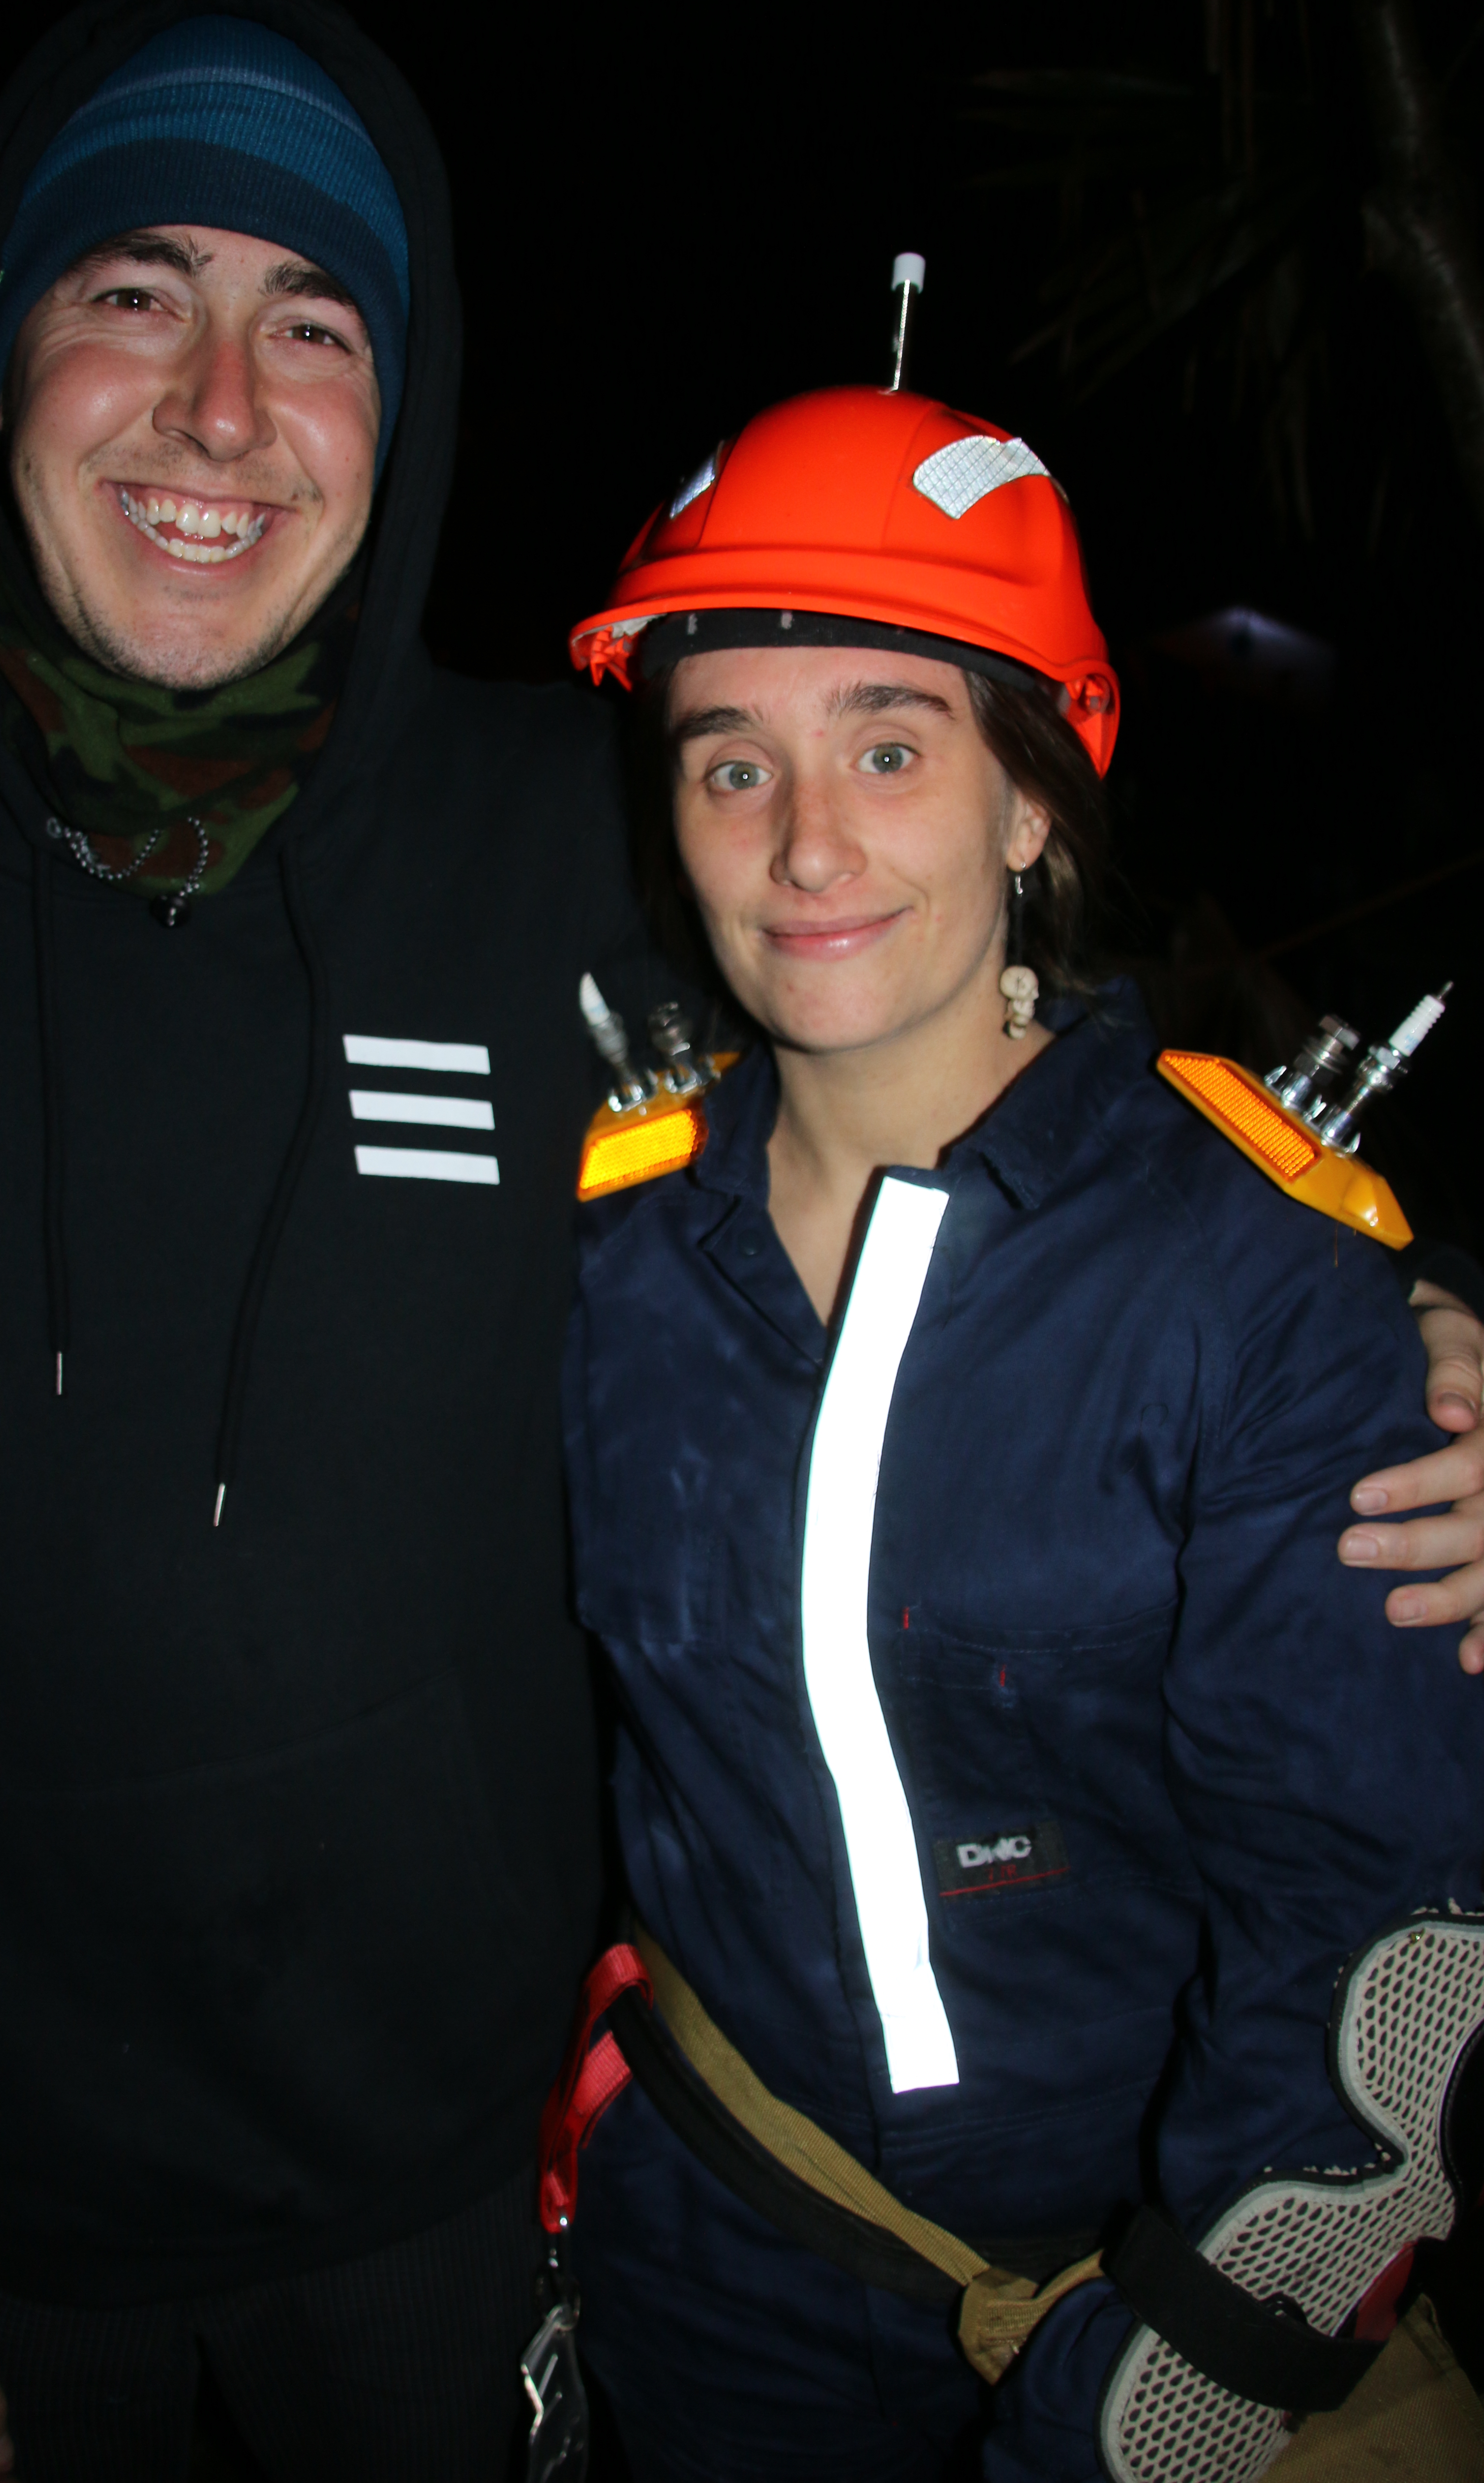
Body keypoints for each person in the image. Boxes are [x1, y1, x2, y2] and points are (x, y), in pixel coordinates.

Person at [0, 0, 1477, 2483]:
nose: (217, 408)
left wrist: (1413, 1338)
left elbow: (1015, 1077)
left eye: (309, 323)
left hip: (476, 2198)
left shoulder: (565, 835)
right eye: (134, 291)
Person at [555, 383, 1484, 2480]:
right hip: (710, 2280)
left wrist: (1179, 2386)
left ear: (1033, 804)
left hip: (1136, 2300)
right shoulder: (608, 1263)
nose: (807, 845)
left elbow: (1375, 1937)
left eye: (890, 747)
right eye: (733, 763)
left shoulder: (1258, 1289)